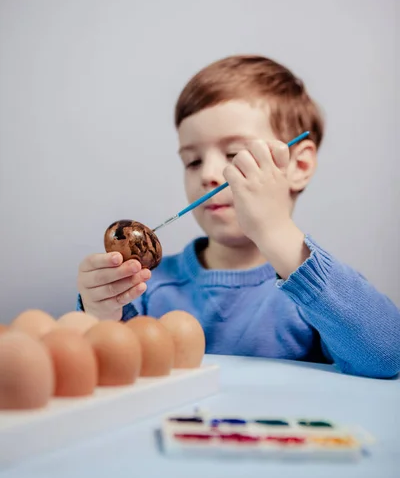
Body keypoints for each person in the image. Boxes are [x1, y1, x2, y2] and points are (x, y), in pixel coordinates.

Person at [76, 55, 400, 379]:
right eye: (192, 161)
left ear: (298, 167)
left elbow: (388, 356)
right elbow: (107, 375)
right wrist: (102, 312)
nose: (209, 174)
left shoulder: (322, 294)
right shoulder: (148, 289)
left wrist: (275, 231)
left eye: (234, 155)